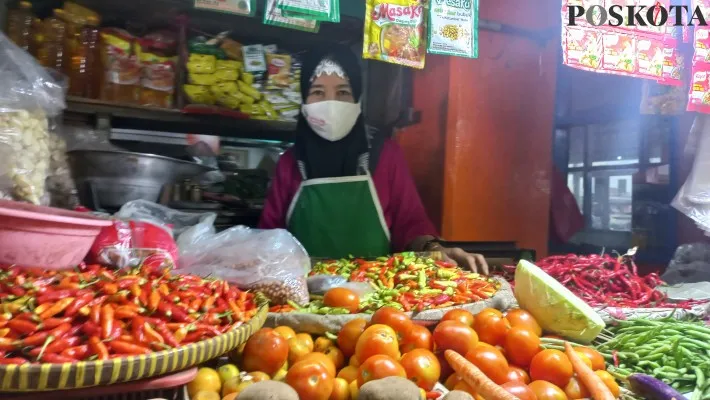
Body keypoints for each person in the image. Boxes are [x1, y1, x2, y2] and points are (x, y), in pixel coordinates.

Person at [258, 44, 489, 273]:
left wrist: (435, 249)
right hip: (302, 297)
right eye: (318, 92)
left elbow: (410, 222)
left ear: (357, 98)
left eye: (343, 92)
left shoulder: (385, 155)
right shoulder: (291, 163)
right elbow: (270, 237)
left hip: (377, 295)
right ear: (304, 101)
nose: (331, 104)